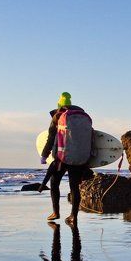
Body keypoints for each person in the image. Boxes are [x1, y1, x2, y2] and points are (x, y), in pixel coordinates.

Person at [40, 92, 94, 226]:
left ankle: (56, 212)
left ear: (59, 105)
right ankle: (73, 216)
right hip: (79, 157)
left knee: (54, 183)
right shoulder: (82, 116)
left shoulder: (58, 116)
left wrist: (44, 154)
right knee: (74, 187)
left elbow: (51, 137)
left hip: (61, 157)